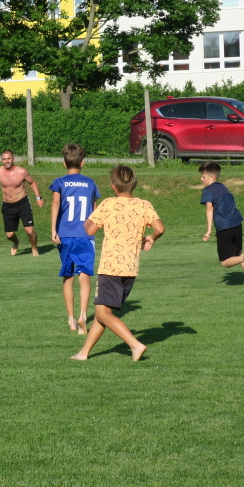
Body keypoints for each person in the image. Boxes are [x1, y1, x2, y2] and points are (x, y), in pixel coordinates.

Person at [71, 165, 164, 362]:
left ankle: (135, 345)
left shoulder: (108, 204)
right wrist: (152, 237)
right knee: (103, 313)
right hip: (130, 270)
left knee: (102, 313)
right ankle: (84, 352)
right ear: (133, 184)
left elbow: (89, 230)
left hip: (111, 268)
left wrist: (88, 219)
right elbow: (160, 228)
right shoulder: (144, 205)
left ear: (113, 186)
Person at [50, 143, 101, 334]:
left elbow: (55, 204)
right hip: (85, 235)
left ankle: (71, 319)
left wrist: (53, 229)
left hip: (65, 234)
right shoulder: (90, 183)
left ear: (64, 163)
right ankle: (83, 316)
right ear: (83, 163)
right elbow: (95, 210)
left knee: (68, 276)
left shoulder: (59, 182)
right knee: (84, 275)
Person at [198, 161, 244, 286]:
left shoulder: (208, 191)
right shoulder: (223, 187)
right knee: (238, 253)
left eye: (203, 176)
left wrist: (209, 229)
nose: (201, 179)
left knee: (225, 262)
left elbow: (209, 209)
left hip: (224, 227)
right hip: (237, 223)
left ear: (212, 177)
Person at [0, 150, 44, 256]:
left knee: (29, 230)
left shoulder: (22, 172)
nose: (7, 161)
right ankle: (16, 242)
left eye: (9, 158)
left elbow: (32, 183)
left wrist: (38, 198)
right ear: (2, 160)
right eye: (4, 159)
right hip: (7, 205)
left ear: (13, 159)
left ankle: (34, 248)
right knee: (9, 234)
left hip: (22, 203)